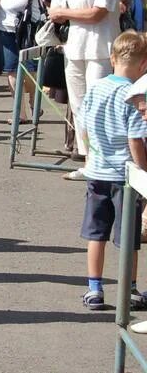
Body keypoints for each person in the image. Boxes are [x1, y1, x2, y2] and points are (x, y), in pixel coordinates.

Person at [75, 31, 147, 311]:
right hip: (124, 176)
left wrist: (92, 151)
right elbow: (135, 140)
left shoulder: (96, 88)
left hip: (97, 171)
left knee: (96, 234)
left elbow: (83, 125)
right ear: (143, 66)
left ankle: (94, 288)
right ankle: (128, 289)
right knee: (128, 238)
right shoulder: (134, 96)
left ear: (113, 58)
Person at [50, 0, 127, 179]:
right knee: (79, 105)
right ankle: (89, 161)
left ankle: (104, 162)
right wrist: (61, 13)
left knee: (99, 106)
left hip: (100, 47)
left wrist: (63, 12)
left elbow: (97, 12)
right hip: (75, 47)